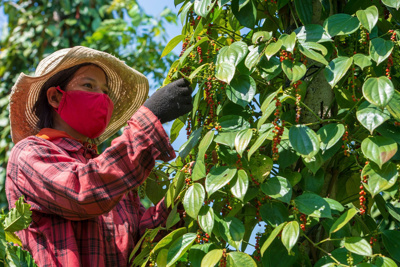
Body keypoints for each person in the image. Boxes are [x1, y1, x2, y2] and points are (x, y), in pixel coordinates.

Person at [6, 46, 192, 266]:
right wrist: (149, 119)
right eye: (88, 85)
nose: (102, 98)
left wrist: (186, 189)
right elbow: (82, 191)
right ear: (55, 97)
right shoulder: (30, 152)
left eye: (105, 92)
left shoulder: (113, 177)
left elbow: (143, 246)